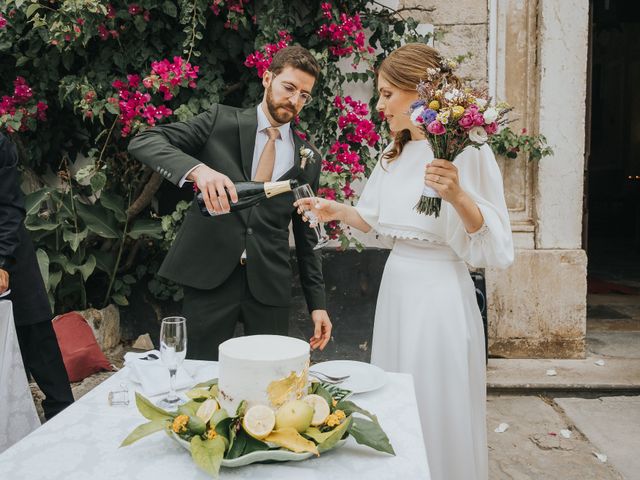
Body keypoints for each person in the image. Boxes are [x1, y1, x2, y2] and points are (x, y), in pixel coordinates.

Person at [295, 43, 514, 480]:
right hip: (397, 287)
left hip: (440, 293)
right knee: (396, 394)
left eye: (387, 94)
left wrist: (457, 195)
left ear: (420, 92)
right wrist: (335, 210)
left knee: (435, 397)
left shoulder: (467, 151)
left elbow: (495, 246)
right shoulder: (392, 154)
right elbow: (377, 223)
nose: (379, 106)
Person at [128, 46, 332, 360]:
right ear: (267, 78)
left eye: (304, 95)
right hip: (210, 277)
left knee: (269, 383)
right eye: (289, 88)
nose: (294, 101)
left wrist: (317, 304)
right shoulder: (220, 120)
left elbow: (307, 238)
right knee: (198, 381)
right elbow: (145, 140)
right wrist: (199, 171)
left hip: (269, 285)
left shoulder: (309, 160)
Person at [0, 132, 74, 420]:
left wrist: (2, 261)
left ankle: (63, 412)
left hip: (9, 249)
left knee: (36, 334)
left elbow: (7, 207)